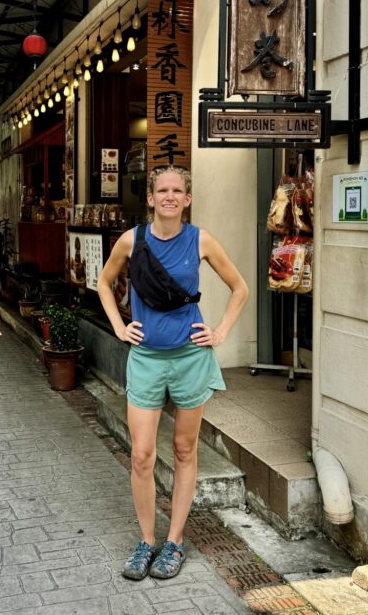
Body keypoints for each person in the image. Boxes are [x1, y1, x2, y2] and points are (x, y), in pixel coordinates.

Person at [97, 165, 248, 582]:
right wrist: (117, 325)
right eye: (161, 189)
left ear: (187, 199)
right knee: (141, 454)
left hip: (190, 359)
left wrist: (218, 333)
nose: (168, 196)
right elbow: (104, 283)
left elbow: (240, 288)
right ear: (150, 198)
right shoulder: (132, 241)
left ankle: (175, 541)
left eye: (176, 190)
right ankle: (147, 540)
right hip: (145, 358)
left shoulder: (200, 240)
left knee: (185, 451)